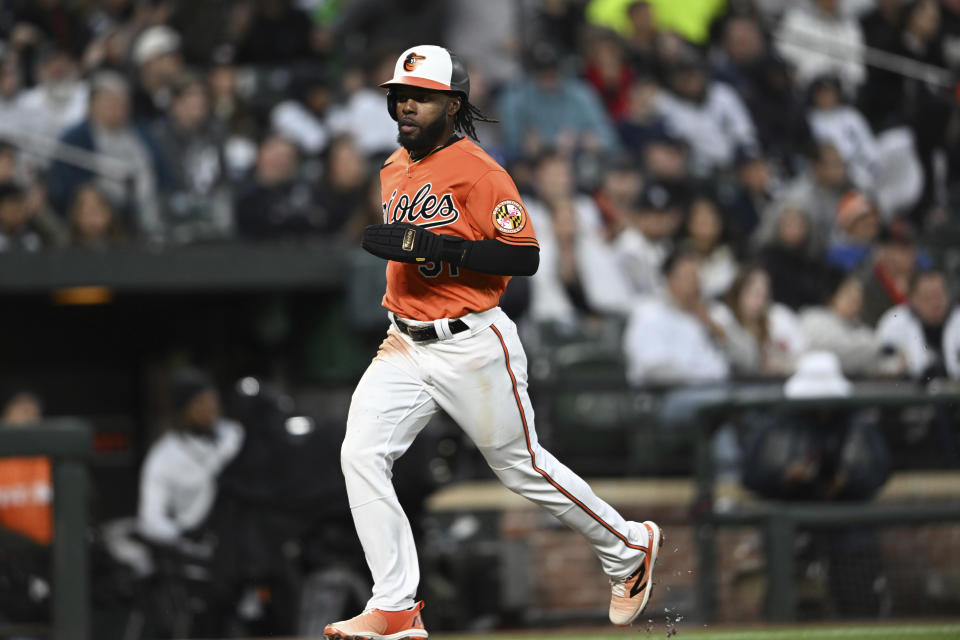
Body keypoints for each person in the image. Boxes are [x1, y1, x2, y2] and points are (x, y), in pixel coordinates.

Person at [323, 45, 663, 640]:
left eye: (420, 96)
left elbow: (525, 256)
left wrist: (440, 249)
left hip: (472, 341)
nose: (405, 104)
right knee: (360, 454)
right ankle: (397, 605)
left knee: (522, 468)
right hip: (403, 341)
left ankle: (629, 545)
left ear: (451, 104)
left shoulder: (480, 170)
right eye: (400, 94)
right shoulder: (393, 168)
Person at [622, 248, 730, 385]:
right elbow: (653, 369)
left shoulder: (702, 317)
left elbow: (719, 367)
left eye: (696, 276)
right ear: (669, 279)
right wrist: (697, 381)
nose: (694, 283)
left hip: (709, 392)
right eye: (687, 276)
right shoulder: (648, 313)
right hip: (664, 396)